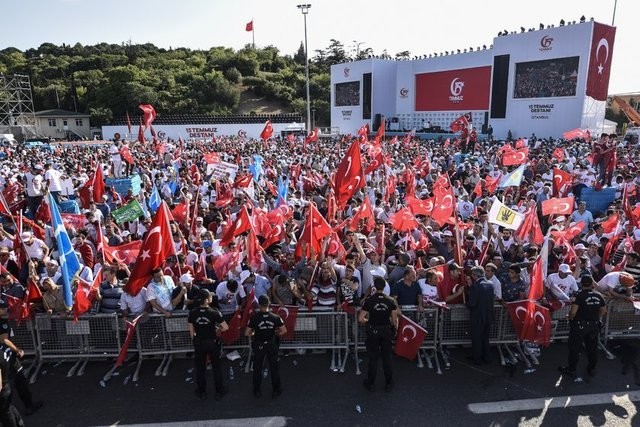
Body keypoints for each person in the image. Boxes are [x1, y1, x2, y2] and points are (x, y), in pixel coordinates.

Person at [559, 275, 606, 378]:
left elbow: (573, 312)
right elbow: (603, 311)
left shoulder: (579, 296)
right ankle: (592, 368)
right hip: (593, 326)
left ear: (581, 284)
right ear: (592, 284)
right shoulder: (599, 296)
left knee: (574, 348)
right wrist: (593, 317)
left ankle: (572, 369)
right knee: (592, 348)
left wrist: (569, 317)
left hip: (579, 326)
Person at [358, 276, 399, 392]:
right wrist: (394, 328)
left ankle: (370, 384)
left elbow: (360, 318)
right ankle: (389, 383)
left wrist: (368, 321)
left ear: (374, 287)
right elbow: (394, 320)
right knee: (387, 358)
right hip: (386, 330)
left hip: (373, 330)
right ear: (385, 286)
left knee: (373, 358)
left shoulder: (369, 300)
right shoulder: (391, 300)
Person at [187, 289, 229, 401]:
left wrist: (195, 340)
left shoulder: (192, 312)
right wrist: (217, 330)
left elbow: (191, 331)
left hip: (199, 343)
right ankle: (219, 391)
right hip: (212, 343)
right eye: (209, 296)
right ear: (206, 300)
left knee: (200, 369)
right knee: (216, 368)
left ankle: (202, 392)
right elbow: (225, 327)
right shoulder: (214, 312)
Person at [245, 295, 286, 398]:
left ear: (259, 304)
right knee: (274, 369)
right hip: (271, 345)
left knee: (257, 368)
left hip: (259, 345)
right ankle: (276, 390)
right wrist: (276, 334)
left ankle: (256, 390)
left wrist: (254, 333)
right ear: (269, 304)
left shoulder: (254, 317)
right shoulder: (276, 317)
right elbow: (284, 330)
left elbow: (247, 333)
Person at [466, 266, 494, 365]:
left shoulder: (476, 286)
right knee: (485, 337)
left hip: (477, 317)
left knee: (477, 338)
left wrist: (467, 304)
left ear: (474, 275)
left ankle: (477, 358)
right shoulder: (490, 284)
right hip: (488, 316)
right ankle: (487, 357)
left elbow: (472, 303)